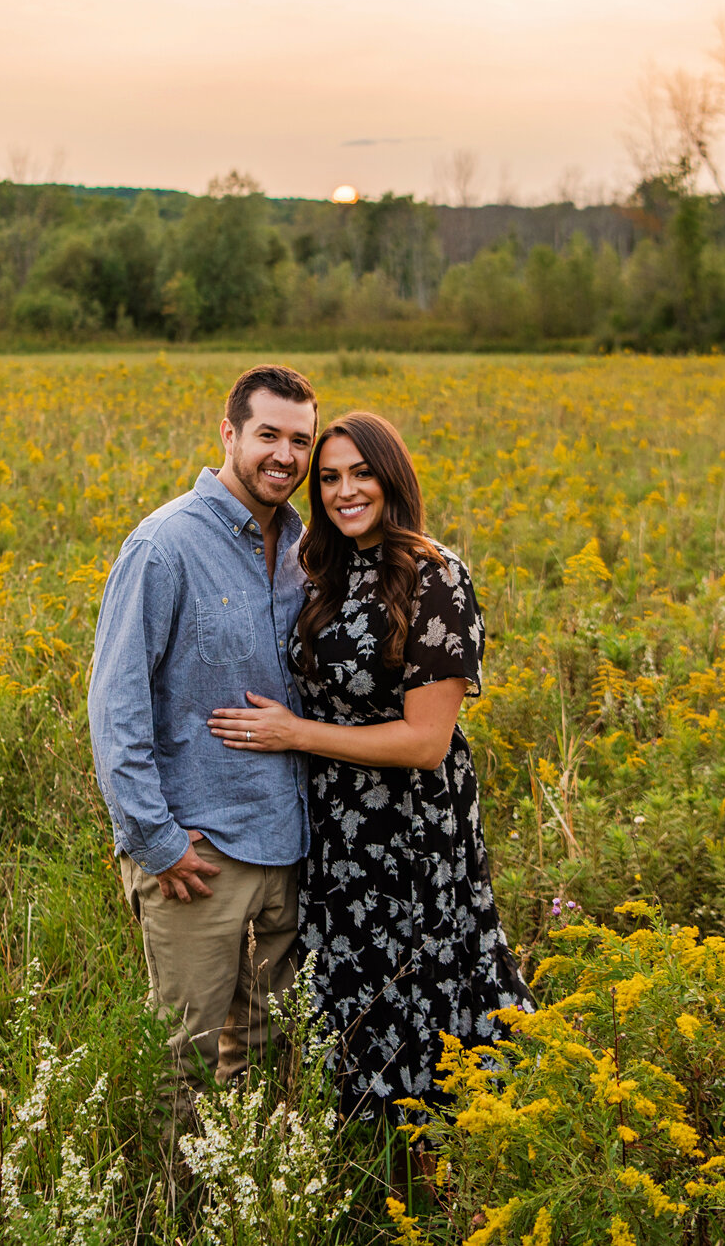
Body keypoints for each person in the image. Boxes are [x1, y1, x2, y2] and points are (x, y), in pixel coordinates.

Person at [208, 410, 531, 1122]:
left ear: (393, 479)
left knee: (424, 984)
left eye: (361, 474)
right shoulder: (325, 570)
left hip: (412, 831)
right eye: (328, 478)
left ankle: (453, 1153)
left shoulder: (435, 576)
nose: (344, 491)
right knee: (350, 990)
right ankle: (372, 1156)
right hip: (336, 828)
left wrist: (295, 732)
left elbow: (425, 742)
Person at [88, 365, 318, 1120]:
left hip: (286, 847)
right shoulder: (164, 546)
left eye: (300, 441)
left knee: (263, 1052)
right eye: (268, 435)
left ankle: (244, 1203)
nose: (284, 455)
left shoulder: (303, 551)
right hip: (198, 857)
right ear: (228, 434)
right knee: (179, 1060)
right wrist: (156, 842)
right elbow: (115, 706)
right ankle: (171, 1218)